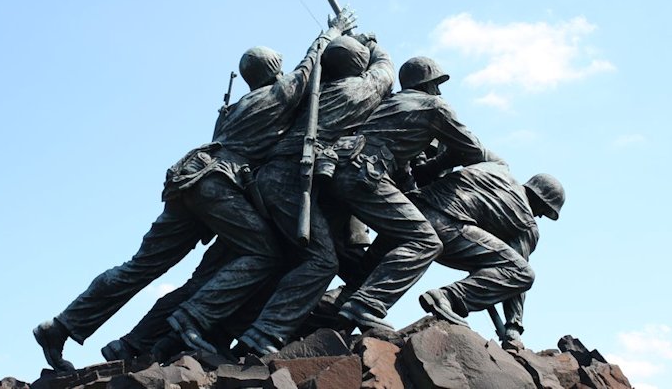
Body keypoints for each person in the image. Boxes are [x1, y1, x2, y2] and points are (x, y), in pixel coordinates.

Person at [33, 11, 356, 371]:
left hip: (188, 178)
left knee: (140, 267)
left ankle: (62, 325)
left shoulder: (234, 109)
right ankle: (192, 319)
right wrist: (332, 32)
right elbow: (310, 67)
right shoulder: (276, 96)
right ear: (276, 70)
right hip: (217, 184)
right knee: (266, 254)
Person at [110, 33, 395, 358]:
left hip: (251, 194)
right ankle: (253, 335)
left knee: (216, 276)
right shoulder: (336, 93)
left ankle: (148, 342)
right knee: (312, 261)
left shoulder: (302, 99)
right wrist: (371, 43)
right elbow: (383, 71)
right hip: (269, 192)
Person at [324, 56, 486, 331]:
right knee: (426, 242)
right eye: (437, 84)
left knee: (352, 260)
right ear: (429, 84)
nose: (440, 91)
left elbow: (400, 165)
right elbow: (475, 151)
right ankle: (365, 305)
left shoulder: (388, 103)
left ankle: (331, 311)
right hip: (365, 175)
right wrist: (440, 163)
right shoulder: (435, 106)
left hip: (336, 172)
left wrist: (412, 186)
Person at [411, 156, 565, 349]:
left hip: (411, 209)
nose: (541, 215)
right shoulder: (526, 223)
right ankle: (448, 297)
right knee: (523, 273)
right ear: (541, 201)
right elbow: (516, 274)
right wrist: (513, 328)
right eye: (545, 210)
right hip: (446, 227)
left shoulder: (498, 171)